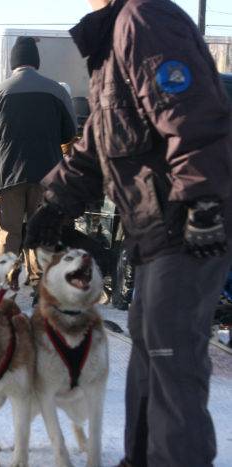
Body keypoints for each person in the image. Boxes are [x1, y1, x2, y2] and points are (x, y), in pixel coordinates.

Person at [25, 1, 232, 465]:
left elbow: (192, 113)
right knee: (148, 346)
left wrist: (202, 202)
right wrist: (55, 204)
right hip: (153, 230)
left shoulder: (145, 21)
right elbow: (98, 141)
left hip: (183, 224)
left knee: (170, 354)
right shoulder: (112, 38)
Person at [0, 36, 76, 285]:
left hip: (7, 175)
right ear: (36, 61)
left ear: (14, 63)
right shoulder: (57, 91)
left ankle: (6, 284)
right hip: (46, 175)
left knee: (8, 234)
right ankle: (39, 286)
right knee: (41, 233)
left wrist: (2, 153)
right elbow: (69, 133)